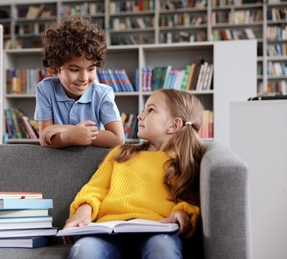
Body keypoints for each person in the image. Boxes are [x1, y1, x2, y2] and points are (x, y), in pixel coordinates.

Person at [62, 89, 206, 259]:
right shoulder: (121, 154)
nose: (140, 115)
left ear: (174, 125)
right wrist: (83, 211)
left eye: (150, 110)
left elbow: (190, 202)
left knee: (162, 247)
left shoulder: (184, 164)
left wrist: (182, 214)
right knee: (84, 249)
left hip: (157, 232)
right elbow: (94, 190)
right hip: (109, 232)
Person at [34, 16, 125, 148]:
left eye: (91, 69)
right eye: (75, 69)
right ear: (55, 66)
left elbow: (117, 139)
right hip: (58, 163)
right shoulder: (45, 89)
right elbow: (45, 139)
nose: (84, 78)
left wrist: (67, 129)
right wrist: (69, 137)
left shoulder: (103, 93)